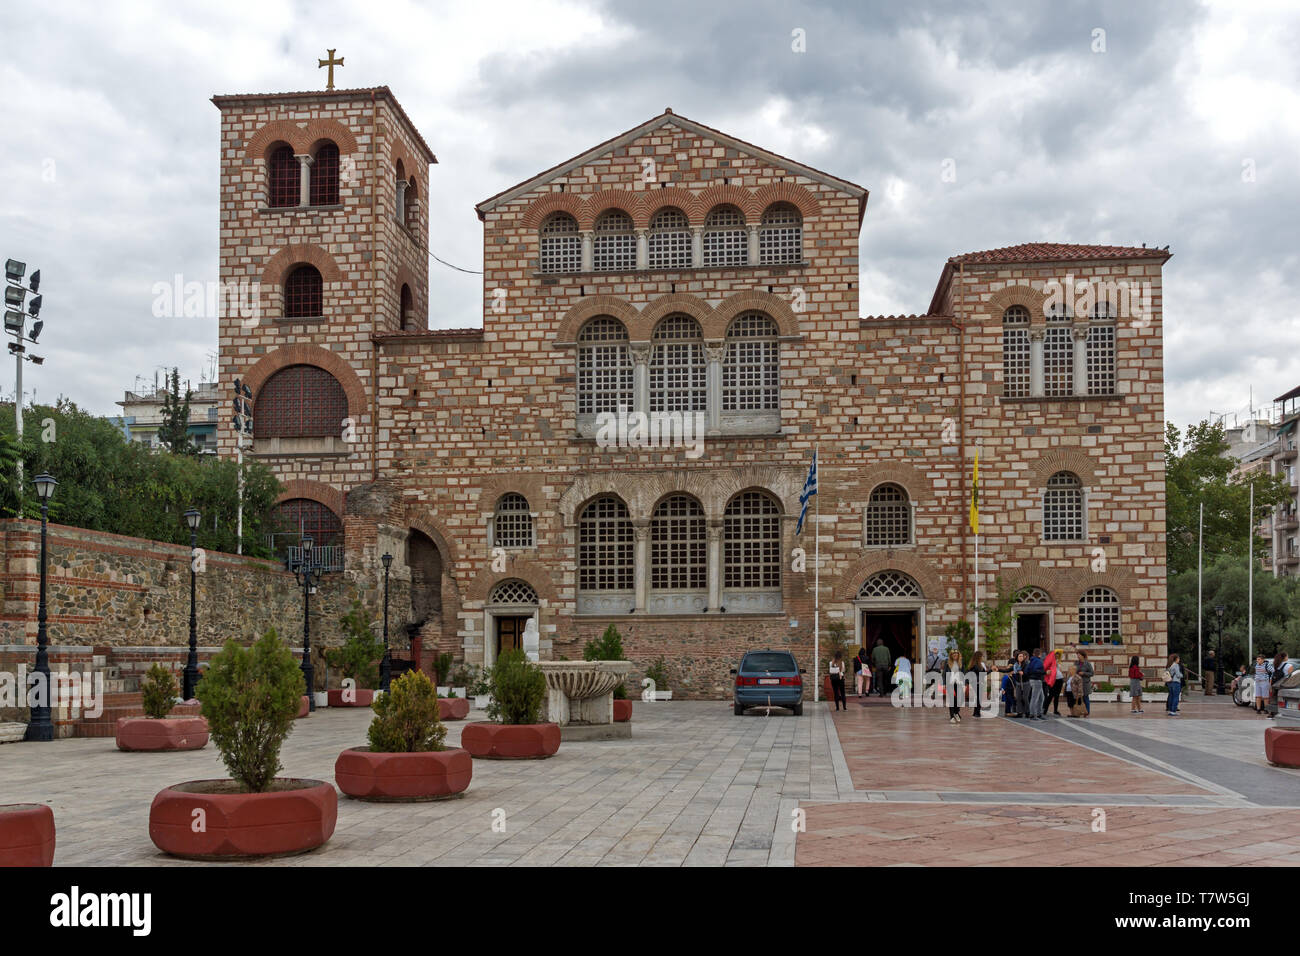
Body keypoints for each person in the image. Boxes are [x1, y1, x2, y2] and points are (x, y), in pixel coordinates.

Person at [943, 649, 965, 723]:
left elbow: (963, 673)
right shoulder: (947, 662)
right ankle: (952, 716)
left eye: (956, 654)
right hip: (950, 683)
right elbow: (944, 673)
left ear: (958, 655)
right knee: (953, 699)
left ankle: (956, 712)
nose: (955, 655)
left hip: (959, 683)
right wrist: (944, 684)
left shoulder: (961, 662)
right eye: (953, 654)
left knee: (959, 700)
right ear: (951, 655)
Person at [1024, 648, 1046, 720]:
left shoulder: (1031, 661)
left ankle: (1039, 713)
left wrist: (1030, 676)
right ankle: (1033, 714)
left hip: (1032, 680)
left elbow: (1026, 671)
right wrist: (1044, 672)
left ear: (1033, 654)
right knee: (1035, 698)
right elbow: (1036, 670)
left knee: (1041, 697)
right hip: (1037, 680)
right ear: (1040, 654)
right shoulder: (1039, 661)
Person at [1043, 650, 1064, 716]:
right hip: (1053, 680)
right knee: (1051, 695)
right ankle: (1045, 709)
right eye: (1055, 654)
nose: (1057, 656)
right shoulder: (1049, 661)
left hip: (1059, 679)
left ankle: (1055, 710)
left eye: (1058, 654)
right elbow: (1046, 669)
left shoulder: (1059, 662)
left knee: (1057, 695)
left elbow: (1060, 670)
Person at [969, 651, 988, 717]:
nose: (982, 657)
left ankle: (976, 712)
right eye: (982, 656)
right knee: (979, 698)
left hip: (976, 683)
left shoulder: (976, 664)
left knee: (978, 698)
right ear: (978, 657)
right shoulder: (976, 665)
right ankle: (977, 713)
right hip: (977, 683)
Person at [1076, 651, 1094, 716]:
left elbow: (1092, 673)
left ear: (1083, 656)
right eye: (1077, 655)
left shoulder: (1088, 664)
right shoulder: (1076, 663)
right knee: (1078, 698)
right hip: (1077, 683)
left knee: (1085, 697)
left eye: (1079, 655)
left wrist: (1084, 673)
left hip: (1085, 683)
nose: (1078, 656)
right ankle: (1078, 711)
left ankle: (1087, 711)